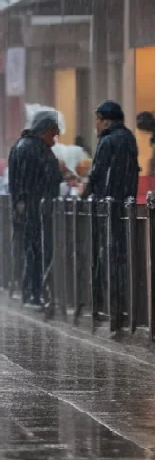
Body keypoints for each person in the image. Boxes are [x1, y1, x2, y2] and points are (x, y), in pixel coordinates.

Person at [84, 101, 139, 333]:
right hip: (125, 206)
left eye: (97, 120)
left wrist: (85, 193)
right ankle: (125, 309)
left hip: (107, 208)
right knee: (123, 257)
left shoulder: (107, 140)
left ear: (106, 120)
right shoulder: (129, 139)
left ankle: (108, 307)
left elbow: (97, 173)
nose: (96, 125)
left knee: (105, 257)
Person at [7, 110, 62, 307]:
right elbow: (45, 179)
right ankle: (35, 292)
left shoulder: (20, 146)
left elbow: (16, 181)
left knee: (29, 249)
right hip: (36, 208)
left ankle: (29, 291)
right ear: (44, 131)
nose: (54, 141)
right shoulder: (36, 149)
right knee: (37, 250)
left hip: (27, 208)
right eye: (53, 135)